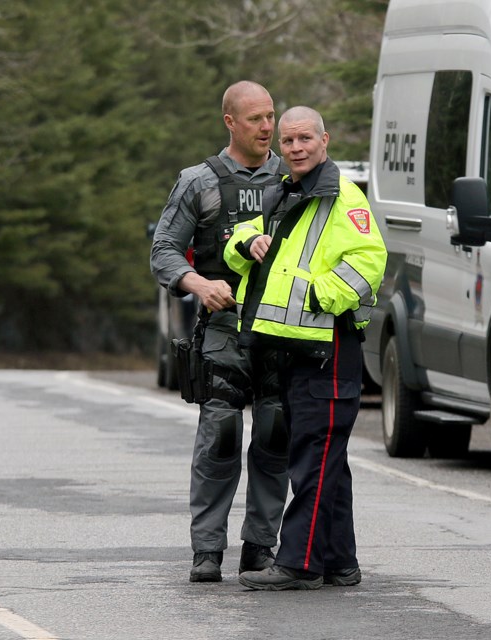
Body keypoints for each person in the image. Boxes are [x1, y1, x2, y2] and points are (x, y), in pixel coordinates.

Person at [224, 106, 386, 590]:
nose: (295, 148)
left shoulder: (342, 197)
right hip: (295, 348)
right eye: (288, 141)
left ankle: (298, 562)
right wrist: (248, 241)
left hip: (329, 346)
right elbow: (242, 236)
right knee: (323, 456)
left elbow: (369, 260)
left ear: (324, 141)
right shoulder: (285, 191)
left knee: (314, 460)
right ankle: (340, 562)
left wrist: (319, 297)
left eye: (304, 140)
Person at [150, 81, 290, 583]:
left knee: (276, 434)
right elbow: (163, 248)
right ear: (230, 122)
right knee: (221, 437)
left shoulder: (295, 177)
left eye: (271, 116)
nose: (268, 127)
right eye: (256, 118)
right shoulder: (198, 181)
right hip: (223, 330)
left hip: (281, 331)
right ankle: (206, 550)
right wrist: (196, 282)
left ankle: (261, 548)